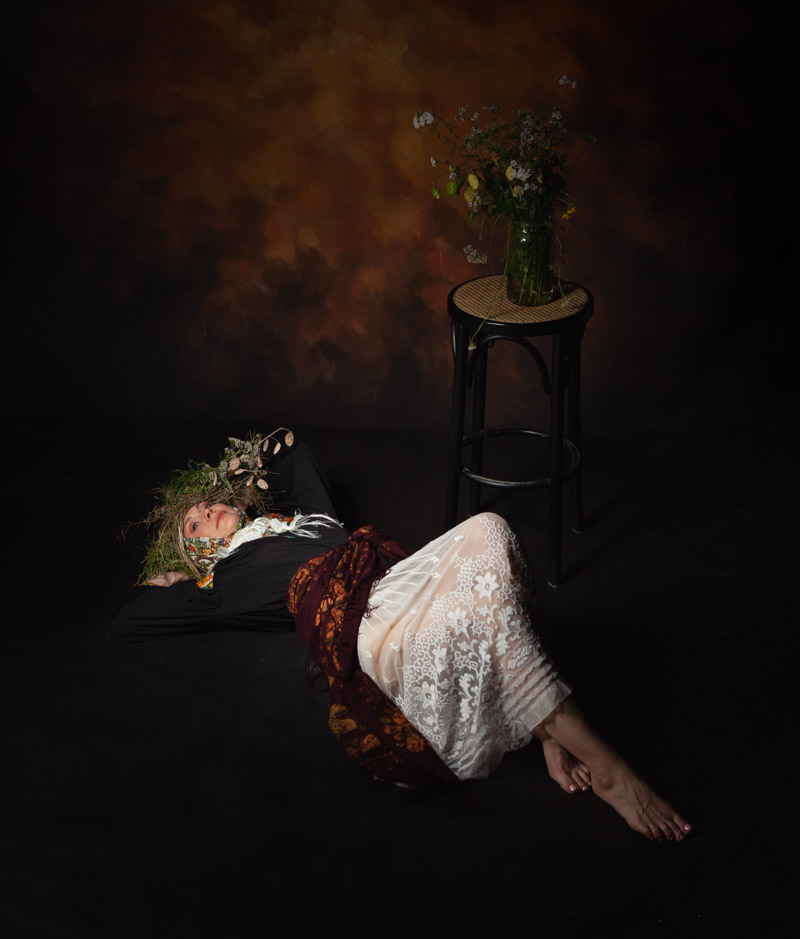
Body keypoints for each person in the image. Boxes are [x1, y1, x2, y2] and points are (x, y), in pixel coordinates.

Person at [110, 431, 691, 842]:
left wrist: (237, 473)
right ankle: (609, 768)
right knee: (479, 598)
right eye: (193, 524)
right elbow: (128, 620)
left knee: (490, 528)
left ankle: (545, 729)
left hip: (399, 578)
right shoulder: (222, 581)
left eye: (208, 503)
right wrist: (177, 579)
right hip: (371, 627)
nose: (206, 511)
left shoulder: (308, 519)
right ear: (198, 552)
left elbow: (292, 450)